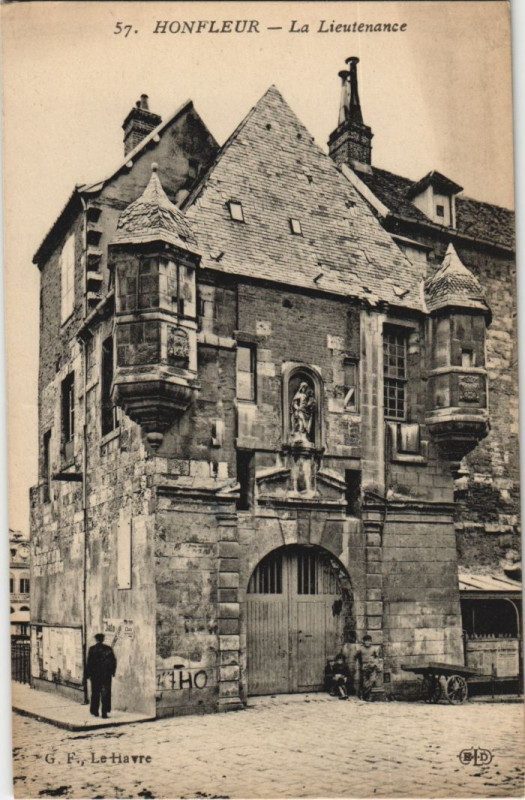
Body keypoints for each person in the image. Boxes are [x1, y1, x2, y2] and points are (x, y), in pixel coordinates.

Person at [85, 633, 117, 718]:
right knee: (105, 693)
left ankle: (95, 711)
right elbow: (113, 661)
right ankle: (104, 712)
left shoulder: (92, 649)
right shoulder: (108, 649)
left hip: (95, 675)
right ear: (103, 639)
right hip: (106, 675)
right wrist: (112, 672)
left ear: (96, 640)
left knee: (95, 693)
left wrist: (87, 674)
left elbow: (89, 663)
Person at [355, 634, 380, 701]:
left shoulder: (374, 649)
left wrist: (375, 664)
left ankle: (365, 695)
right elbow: (356, 658)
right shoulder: (360, 649)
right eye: (366, 641)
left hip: (372, 667)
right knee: (365, 683)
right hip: (364, 667)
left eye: (369, 641)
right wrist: (358, 666)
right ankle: (365, 696)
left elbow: (377, 658)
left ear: (371, 642)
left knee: (372, 681)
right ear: (364, 642)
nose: (367, 643)